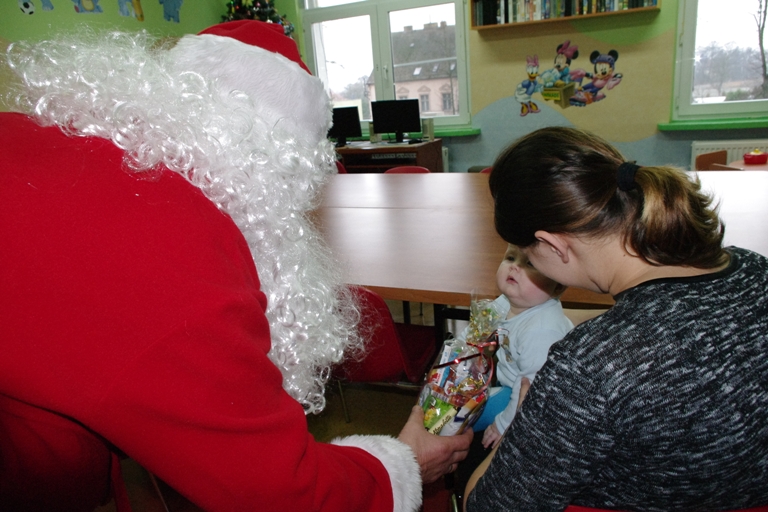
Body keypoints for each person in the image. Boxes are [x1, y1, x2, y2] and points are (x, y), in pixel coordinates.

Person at [0, 21, 471, 512]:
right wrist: (402, 463)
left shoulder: (31, 141)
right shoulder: (180, 253)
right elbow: (281, 494)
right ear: (278, 169)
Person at [464, 127, 768, 511]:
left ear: (554, 245)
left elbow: (488, 506)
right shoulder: (756, 269)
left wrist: (520, 423)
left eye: (529, 254)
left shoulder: (590, 364)